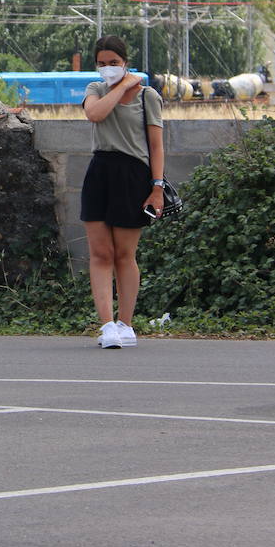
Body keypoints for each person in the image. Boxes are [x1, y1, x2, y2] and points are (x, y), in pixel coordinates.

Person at [80, 35, 165, 349]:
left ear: (125, 62)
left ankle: (125, 323)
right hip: (100, 170)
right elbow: (95, 114)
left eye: (114, 63)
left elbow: (156, 146)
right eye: (102, 63)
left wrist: (156, 188)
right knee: (101, 253)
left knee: (124, 254)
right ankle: (107, 325)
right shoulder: (95, 91)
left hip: (133, 174)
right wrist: (119, 86)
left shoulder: (148, 97)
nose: (107, 68)